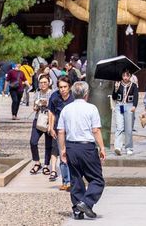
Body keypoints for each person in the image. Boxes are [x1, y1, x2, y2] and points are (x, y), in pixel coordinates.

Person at [57, 80, 106, 220]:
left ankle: (77, 210)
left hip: (72, 146)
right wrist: (102, 147)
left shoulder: (66, 109)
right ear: (86, 94)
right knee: (97, 179)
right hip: (87, 146)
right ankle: (86, 202)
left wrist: (62, 150)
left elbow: (61, 131)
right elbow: (95, 130)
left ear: (72, 93)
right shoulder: (91, 108)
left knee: (76, 179)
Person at [48, 76, 76, 190]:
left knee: (72, 155)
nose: (63, 89)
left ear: (69, 87)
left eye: (65, 87)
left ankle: (74, 180)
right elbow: (51, 112)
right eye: (60, 87)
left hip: (72, 129)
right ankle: (66, 181)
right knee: (62, 155)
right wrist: (50, 127)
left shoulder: (74, 98)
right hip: (59, 129)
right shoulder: (54, 97)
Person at [29, 74, 54, 176]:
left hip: (48, 120)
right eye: (41, 83)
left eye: (45, 82)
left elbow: (54, 107)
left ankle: (46, 165)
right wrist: (38, 104)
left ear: (49, 83)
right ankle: (37, 162)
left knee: (48, 144)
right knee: (33, 142)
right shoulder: (37, 93)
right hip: (38, 119)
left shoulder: (53, 94)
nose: (43, 84)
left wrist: (47, 104)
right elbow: (34, 108)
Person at [112, 70, 138, 156]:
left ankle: (129, 147)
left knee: (128, 128)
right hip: (120, 106)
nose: (125, 77)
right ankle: (118, 147)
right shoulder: (118, 84)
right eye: (124, 75)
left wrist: (134, 106)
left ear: (130, 76)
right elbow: (114, 97)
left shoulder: (133, 85)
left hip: (129, 106)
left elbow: (136, 96)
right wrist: (115, 89)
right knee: (119, 127)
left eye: (127, 75)